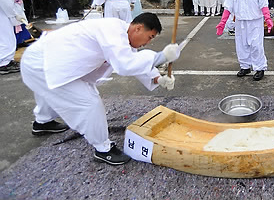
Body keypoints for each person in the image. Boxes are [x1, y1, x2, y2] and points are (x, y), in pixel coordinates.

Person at [21, 13, 182, 165]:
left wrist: (158, 79)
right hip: (42, 63)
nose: (148, 43)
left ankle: (42, 122)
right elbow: (125, 64)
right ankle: (103, 149)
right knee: (88, 103)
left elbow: (131, 58)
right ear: (138, 28)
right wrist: (161, 57)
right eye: (150, 37)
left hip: (45, 61)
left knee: (52, 92)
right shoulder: (112, 30)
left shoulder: (122, 35)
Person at [216, 0, 272, 81]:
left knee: (256, 45)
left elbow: (263, 3)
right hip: (240, 21)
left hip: (255, 20)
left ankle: (259, 67)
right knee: (241, 45)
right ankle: (245, 66)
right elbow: (228, 6)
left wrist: (267, 18)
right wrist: (222, 22)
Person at [0, 0, 22, 74]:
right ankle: (4, 62)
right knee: (6, 38)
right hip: (2, 14)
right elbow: (6, 2)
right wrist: (13, 16)